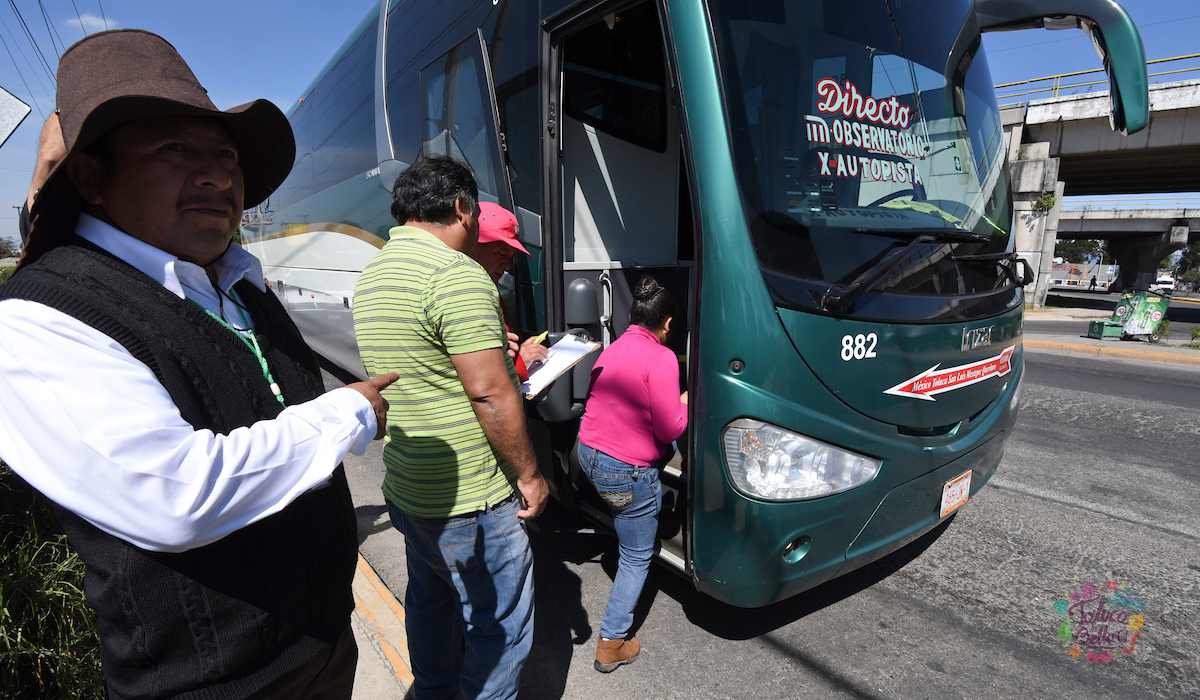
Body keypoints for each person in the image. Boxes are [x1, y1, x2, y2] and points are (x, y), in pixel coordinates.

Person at [0, 30, 397, 698]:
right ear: (94, 176)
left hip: (320, 650)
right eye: (175, 150)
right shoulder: (40, 320)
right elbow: (173, 495)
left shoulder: (238, 281)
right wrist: (350, 413)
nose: (216, 174)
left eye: (225, 155)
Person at [352, 156, 549, 700]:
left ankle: (432, 692)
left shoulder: (375, 273)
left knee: (432, 604)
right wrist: (529, 475)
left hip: (409, 484)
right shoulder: (456, 275)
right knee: (500, 626)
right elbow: (489, 391)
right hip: (469, 496)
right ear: (463, 207)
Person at [575, 275, 687, 673]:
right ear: (669, 323)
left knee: (625, 511)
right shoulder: (663, 358)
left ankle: (636, 512)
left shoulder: (615, 347)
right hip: (627, 473)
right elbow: (672, 428)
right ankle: (612, 642)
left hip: (587, 455)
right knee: (637, 556)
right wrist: (685, 402)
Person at [472, 201, 548, 381]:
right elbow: (485, 376)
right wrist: (522, 360)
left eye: (510, 257)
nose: (506, 265)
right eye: (499, 253)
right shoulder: (469, 295)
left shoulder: (493, 293)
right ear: (471, 243)